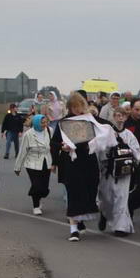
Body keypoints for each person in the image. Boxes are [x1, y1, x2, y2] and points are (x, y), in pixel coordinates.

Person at [51, 93, 115, 240]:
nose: (77, 109)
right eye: (74, 107)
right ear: (70, 107)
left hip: (88, 161)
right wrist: (61, 148)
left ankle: (80, 221)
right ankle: (73, 229)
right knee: (73, 193)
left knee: (89, 191)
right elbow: (54, 142)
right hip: (71, 162)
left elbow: (105, 127)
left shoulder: (89, 119)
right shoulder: (64, 122)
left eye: (79, 106)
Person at [97, 105, 140, 236]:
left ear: (126, 117)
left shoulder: (129, 135)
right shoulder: (107, 133)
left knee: (121, 198)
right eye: (117, 115)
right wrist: (110, 153)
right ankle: (104, 214)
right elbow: (100, 150)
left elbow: (136, 151)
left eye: (123, 115)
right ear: (114, 117)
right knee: (107, 197)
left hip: (124, 171)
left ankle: (120, 227)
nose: (120, 118)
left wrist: (127, 153)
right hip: (108, 171)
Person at [15, 114, 53, 214]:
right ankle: (36, 206)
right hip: (32, 163)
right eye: (42, 123)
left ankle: (38, 196)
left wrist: (56, 162)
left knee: (44, 188)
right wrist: (17, 167)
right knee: (36, 185)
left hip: (46, 161)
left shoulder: (50, 131)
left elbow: (54, 146)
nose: (45, 124)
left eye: (46, 122)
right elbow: (22, 151)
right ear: (36, 123)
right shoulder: (28, 134)